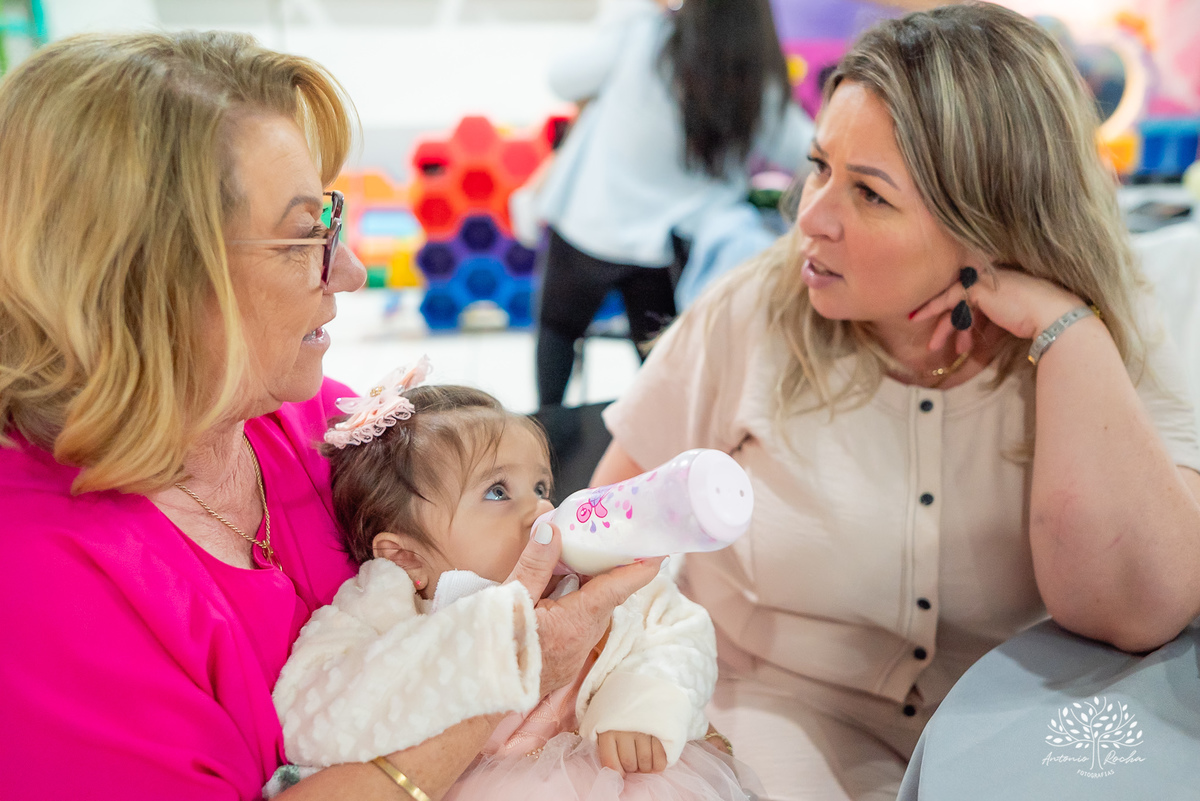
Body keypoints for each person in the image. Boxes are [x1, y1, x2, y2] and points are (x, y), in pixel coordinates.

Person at [0, 31, 660, 800]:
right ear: (154, 276)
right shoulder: (39, 583)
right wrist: (506, 675)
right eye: (304, 236)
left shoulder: (304, 415)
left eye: (332, 218)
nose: (349, 270)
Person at [589, 4, 1200, 800]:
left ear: (991, 216)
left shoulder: (1114, 331)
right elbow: (603, 534)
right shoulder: (751, 314)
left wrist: (1064, 338)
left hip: (1011, 733)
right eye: (818, 167)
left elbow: (1135, 613)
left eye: (870, 195)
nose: (811, 217)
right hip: (762, 717)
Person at [267, 362, 760, 800]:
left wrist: (642, 701)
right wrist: (487, 632)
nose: (542, 509)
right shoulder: (380, 609)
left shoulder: (589, 578)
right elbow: (311, 716)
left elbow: (678, 628)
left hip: (609, 776)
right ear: (405, 557)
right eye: (498, 491)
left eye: (541, 486)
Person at [533, 0, 812, 408]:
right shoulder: (755, 84)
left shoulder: (644, 38)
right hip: (667, 251)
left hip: (591, 226)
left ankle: (546, 432)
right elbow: (806, 149)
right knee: (656, 368)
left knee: (558, 331)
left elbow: (562, 78)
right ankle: (653, 459)